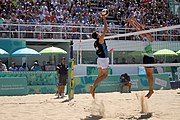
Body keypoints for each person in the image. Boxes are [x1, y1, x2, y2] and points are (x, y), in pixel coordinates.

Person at [128, 17, 155, 98]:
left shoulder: (150, 38)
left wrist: (135, 21)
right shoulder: (144, 37)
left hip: (150, 57)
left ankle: (151, 90)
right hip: (145, 57)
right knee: (148, 74)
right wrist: (131, 22)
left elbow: (140, 29)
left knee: (149, 75)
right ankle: (150, 90)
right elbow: (138, 29)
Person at [90, 15, 108, 99]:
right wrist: (104, 18)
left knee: (99, 76)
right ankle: (93, 86)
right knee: (105, 75)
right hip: (104, 60)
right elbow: (106, 29)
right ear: (97, 36)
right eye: (98, 33)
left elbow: (101, 49)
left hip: (99, 59)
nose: (99, 33)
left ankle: (93, 90)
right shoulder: (100, 39)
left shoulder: (95, 43)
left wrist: (109, 51)